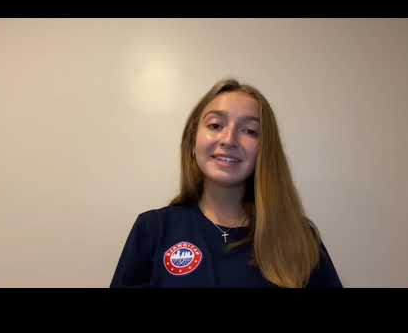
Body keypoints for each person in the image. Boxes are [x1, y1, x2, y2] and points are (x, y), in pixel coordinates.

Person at [110, 78, 343, 288]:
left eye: (250, 131)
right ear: (193, 141)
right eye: (215, 125)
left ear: (264, 150)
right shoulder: (153, 229)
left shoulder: (299, 236)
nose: (229, 139)